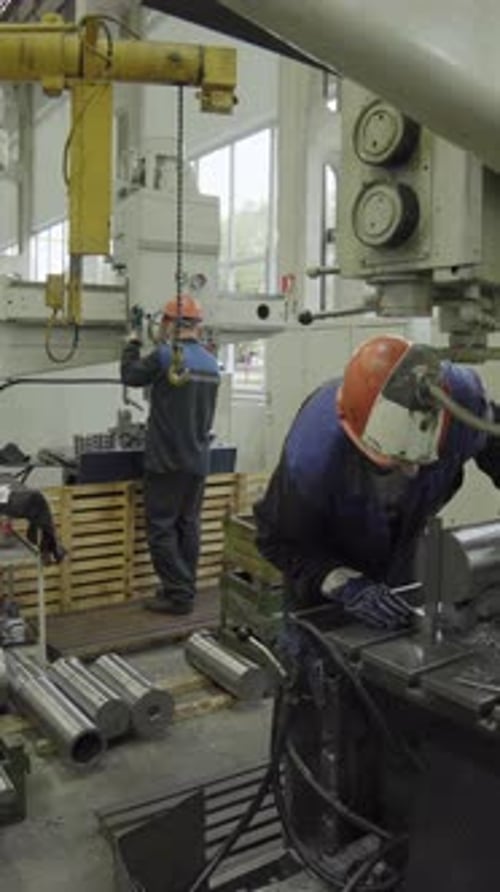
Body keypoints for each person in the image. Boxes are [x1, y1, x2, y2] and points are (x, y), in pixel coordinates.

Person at [254, 334, 500, 630]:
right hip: (327, 589)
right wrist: (342, 583)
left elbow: (494, 444)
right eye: (395, 462)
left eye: (420, 461)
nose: (410, 473)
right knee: (322, 662)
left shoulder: (461, 404)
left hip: (401, 561)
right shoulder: (312, 458)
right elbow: (280, 542)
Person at [121, 294, 220, 615]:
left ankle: (179, 594)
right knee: (187, 524)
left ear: (168, 323)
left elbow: (130, 376)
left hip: (165, 460)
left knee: (161, 526)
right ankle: (182, 584)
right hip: (197, 459)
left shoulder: (165, 356)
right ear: (197, 325)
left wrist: (131, 342)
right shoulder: (210, 362)